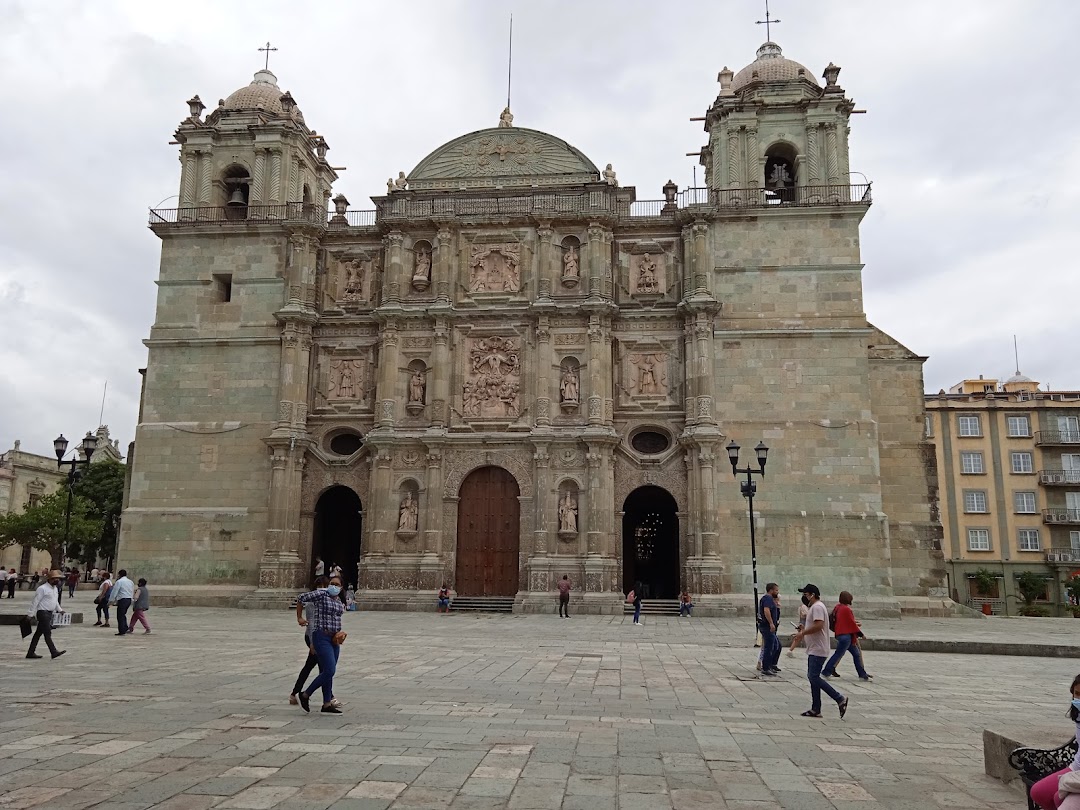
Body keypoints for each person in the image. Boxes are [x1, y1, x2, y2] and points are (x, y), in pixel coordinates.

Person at [793, 584, 848, 719]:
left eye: (806, 594)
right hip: (815, 647)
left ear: (812, 594)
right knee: (813, 678)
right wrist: (803, 627)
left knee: (813, 677)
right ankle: (816, 708)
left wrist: (803, 633)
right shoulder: (817, 607)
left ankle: (839, 698)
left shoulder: (817, 607)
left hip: (818, 648)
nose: (804, 597)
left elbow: (819, 625)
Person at [295, 574, 347, 714]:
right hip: (321, 636)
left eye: (337, 584)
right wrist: (299, 617)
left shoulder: (338, 601)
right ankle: (305, 694)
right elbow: (301, 598)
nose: (333, 586)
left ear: (341, 588)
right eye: (332, 583)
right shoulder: (321, 595)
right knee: (330, 670)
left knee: (327, 672)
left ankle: (326, 704)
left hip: (334, 639)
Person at [1031, 674, 1080, 810]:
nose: (1079, 698)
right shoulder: (1078, 715)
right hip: (1076, 767)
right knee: (1039, 793)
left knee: (1059, 798)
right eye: (1077, 694)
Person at [291, 575, 329, 708]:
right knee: (325, 669)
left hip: (316, 637)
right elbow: (312, 623)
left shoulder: (320, 598)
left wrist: (299, 617)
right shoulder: (315, 599)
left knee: (311, 667)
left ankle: (294, 694)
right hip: (314, 637)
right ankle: (327, 699)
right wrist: (313, 643)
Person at [823, 591, 872, 680]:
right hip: (846, 636)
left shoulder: (837, 608)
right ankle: (826, 671)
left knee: (856, 654)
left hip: (841, 635)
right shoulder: (846, 609)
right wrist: (861, 634)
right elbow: (851, 623)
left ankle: (862, 674)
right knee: (838, 654)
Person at [26, 570, 65, 660]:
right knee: (47, 632)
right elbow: (35, 601)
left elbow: (55, 601)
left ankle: (30, 652)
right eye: (55, 578)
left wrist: (60, 610)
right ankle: (53, 651)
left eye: (58, 578)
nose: (57, 580)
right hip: (43, 613)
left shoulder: (55, 588)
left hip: (50, 613)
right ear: (50, 579)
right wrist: (30, 613)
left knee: (38, 634)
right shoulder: (42, 588)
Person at [758, 583, 782, 676]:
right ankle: (766, 667)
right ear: (771, 590)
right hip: (767, 626)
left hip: (769, 626)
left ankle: (771, 665)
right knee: (770, 647)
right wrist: (771, 623)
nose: (777, 592)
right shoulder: (767, 599)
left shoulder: (770, 599)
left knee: (776, 645)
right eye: (776, 590)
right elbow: (766, 610)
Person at [110, 569, 135, 635]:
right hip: (128, 599)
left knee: (120, 615)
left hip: (122, 599)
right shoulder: (130, 582)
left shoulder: (119, 582)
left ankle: (122, 630)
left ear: (119, 574)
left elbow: (115, 591)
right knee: (123, 614)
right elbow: (132, 590)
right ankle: (125, 627)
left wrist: (111, 600)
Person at [788, 592, 811, 657]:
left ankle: (790, 650)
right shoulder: (804, 606)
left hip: (802, 623)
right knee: (799, 637)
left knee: (799, 637)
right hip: (804, 624)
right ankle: (790, 650)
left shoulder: (802, 606)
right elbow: (806, 615)